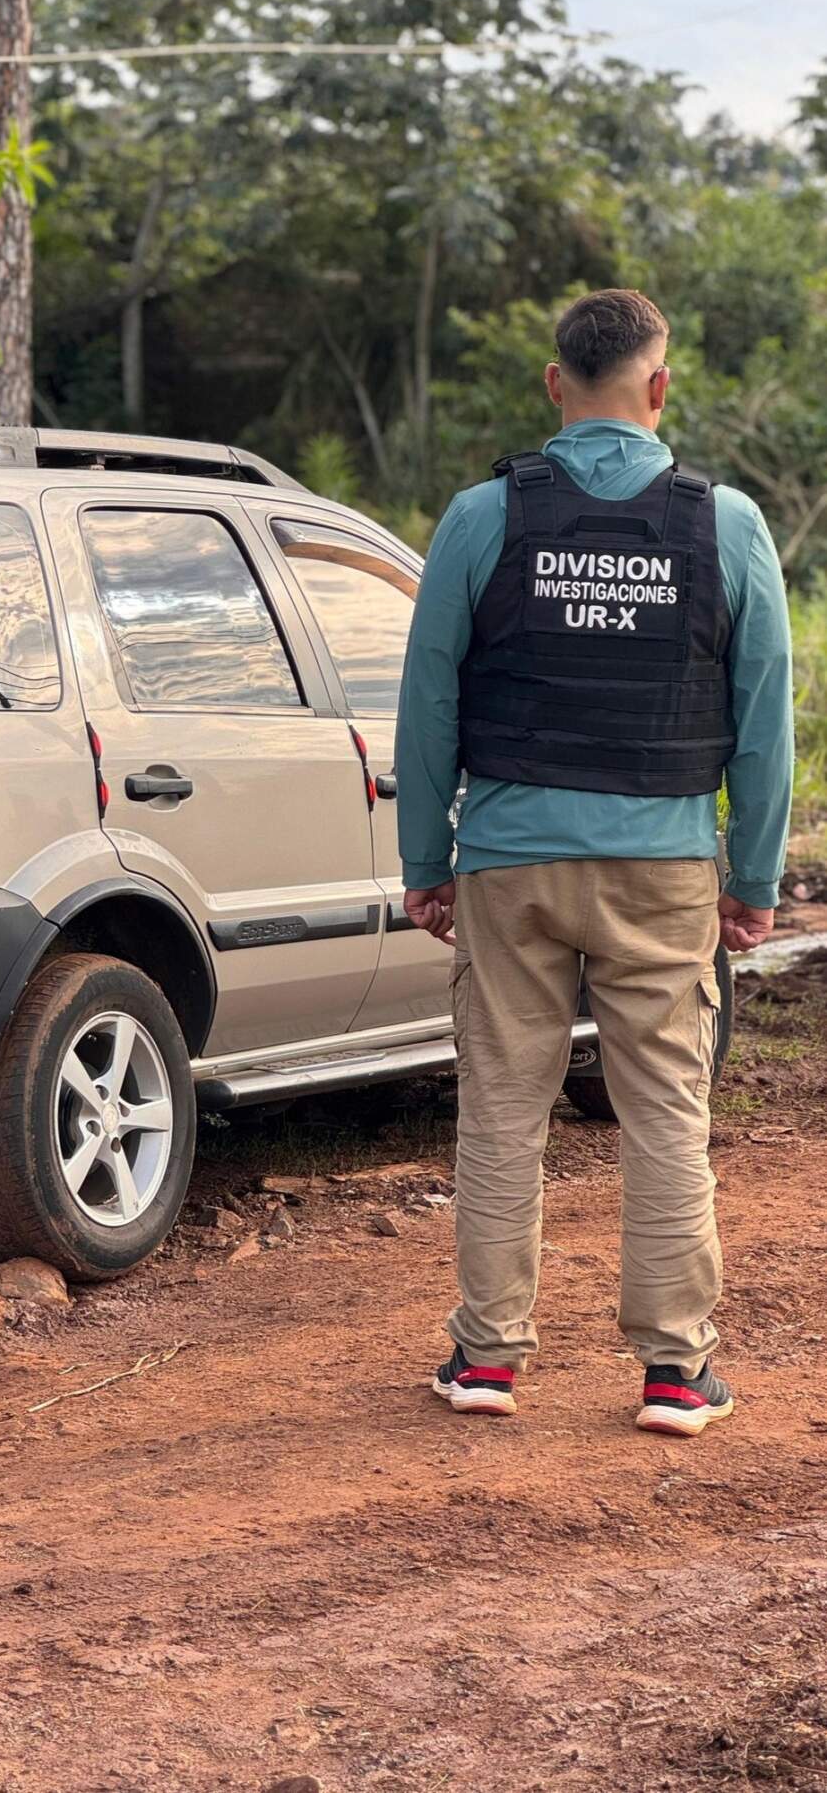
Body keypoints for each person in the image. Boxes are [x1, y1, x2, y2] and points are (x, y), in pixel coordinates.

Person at [395, 287, 793, 1437]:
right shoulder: (725, 524)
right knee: (665, 1110)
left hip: (508, 864)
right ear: (657, 387)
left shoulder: (480, 517)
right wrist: (752, 879)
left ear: (552, 385)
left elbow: (425, 703)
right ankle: (674, 1371)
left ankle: (484, 1358)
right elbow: (761, 714)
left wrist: (428, 856)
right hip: (661, 863)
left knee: (500, 1108)